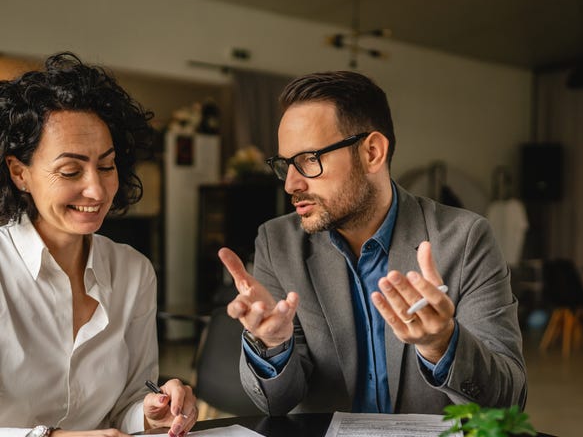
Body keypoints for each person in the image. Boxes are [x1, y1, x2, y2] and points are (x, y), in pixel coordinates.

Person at [218, 70, 527, 416]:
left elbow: (509, 401)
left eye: (308, 160)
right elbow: (276, 403)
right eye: (285, 164)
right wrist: (274, 346)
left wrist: (443, 345)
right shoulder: (277, 244)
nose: (291, 184)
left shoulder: (466, 240)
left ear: (373, 153)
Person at [0, 53, 197, 437]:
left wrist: (150, 412)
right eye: (71, 170)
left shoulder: (133, 271)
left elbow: (126, 403)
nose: (97, 188)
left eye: (106, 166)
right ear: (19, 172)